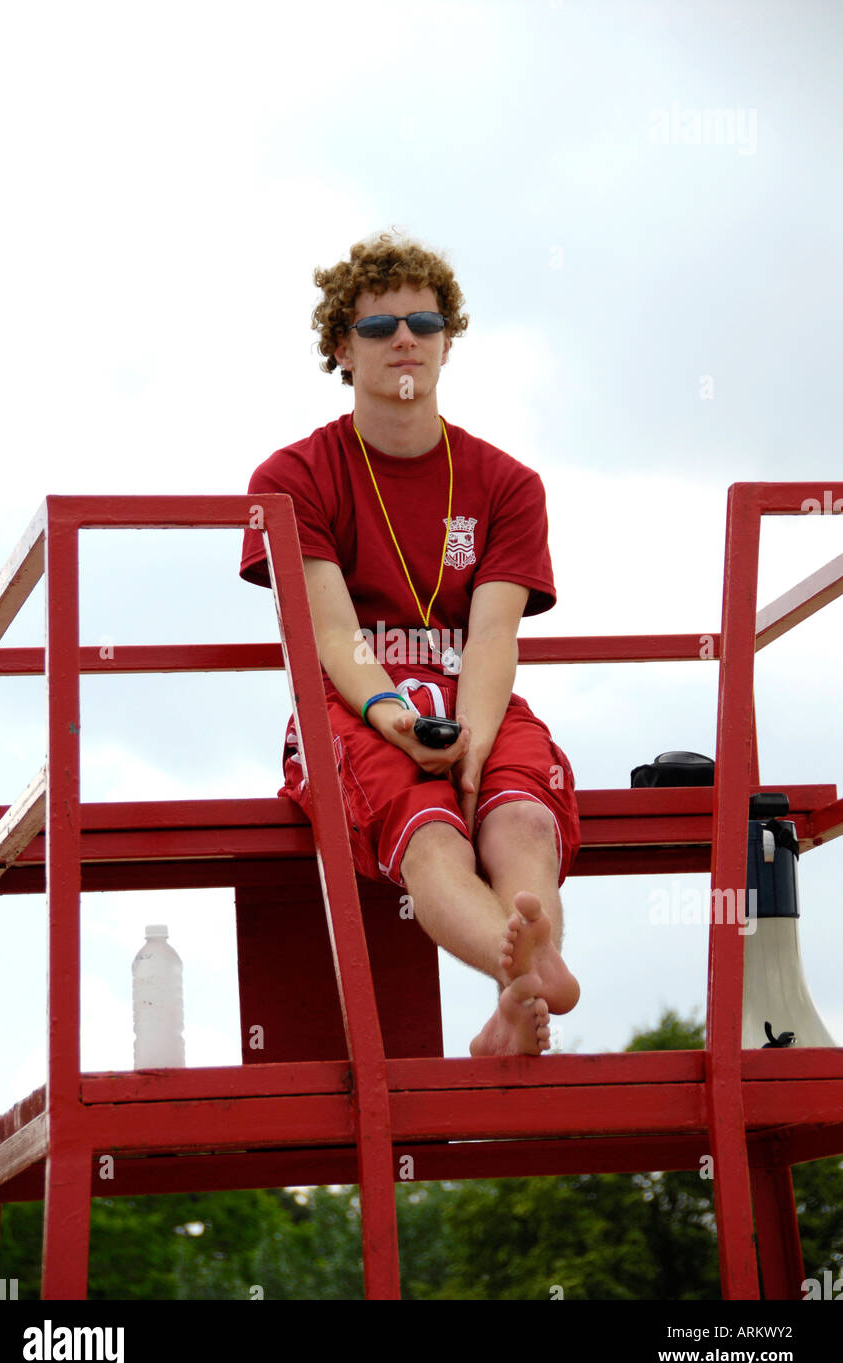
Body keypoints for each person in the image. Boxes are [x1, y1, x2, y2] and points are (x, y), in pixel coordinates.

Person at [240, 231, 581, 1056]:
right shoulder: (291, 474)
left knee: (526, 821)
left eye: (424, 323)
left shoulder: (506, 482)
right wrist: (397, 717)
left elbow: (494, 637)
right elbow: (332, 633)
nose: (404, 339)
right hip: (356, 706)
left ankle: (522, 980)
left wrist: (476, 743)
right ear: (339, 349)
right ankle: (527, 975)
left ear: (447, 343)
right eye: (378, 325)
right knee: (430, 837)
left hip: (476, 697)